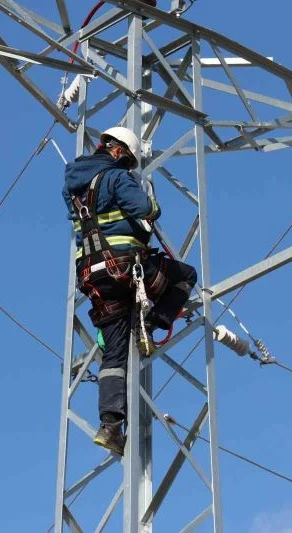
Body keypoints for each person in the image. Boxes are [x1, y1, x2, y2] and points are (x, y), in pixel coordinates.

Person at [62, 126, 197, 455]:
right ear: (119, 150)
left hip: (93, 278)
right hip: (126, 267)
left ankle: (110, 426)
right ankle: (151, 324)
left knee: (114, 354)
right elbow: (146, 209)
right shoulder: (117, 177)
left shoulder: (73, 188)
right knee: (184, 276)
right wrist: (148, 202)